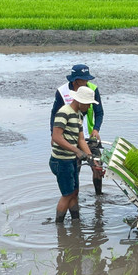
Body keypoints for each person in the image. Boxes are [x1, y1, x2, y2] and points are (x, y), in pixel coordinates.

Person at [51, 64, 105, 194]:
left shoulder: (92, 89)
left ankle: (99, 195)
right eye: (83, 81)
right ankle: (73, 197)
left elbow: (99, 112)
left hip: (89, 136)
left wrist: (96, 129)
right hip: (71, 138)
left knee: (97, 165)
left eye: (87, 80)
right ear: (75, 81)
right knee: (75, 169)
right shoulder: (62, 92)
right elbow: (55, 116)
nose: (86, 83)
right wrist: (53, 135)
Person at [49, 86, 100, 224]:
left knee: (75, 193)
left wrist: (91, 159)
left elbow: (81, 140)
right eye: (88, 104)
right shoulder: (64, 112)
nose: (89, 107)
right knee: (67, 195)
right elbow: (56, 137)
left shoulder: (78, 115)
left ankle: (76, 222)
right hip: (61, 160)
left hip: (71, 159)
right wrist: (77, 151)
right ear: (80, 101)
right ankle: (59, 226)